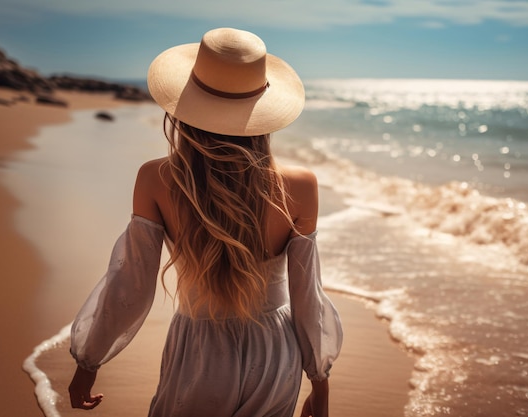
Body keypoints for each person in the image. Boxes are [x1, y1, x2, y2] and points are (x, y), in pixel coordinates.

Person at [67, 27, 343, 417]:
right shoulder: (300, 186)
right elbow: (306, 296)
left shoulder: (156, 179)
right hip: (275, 354)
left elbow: (130, 284)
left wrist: (88, 363)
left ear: (185, 104)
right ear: (262, 111)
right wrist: (320, 383)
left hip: (200, 352)